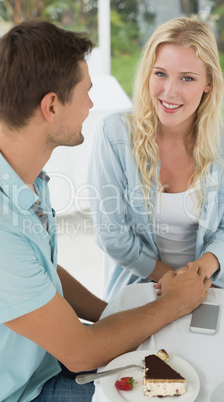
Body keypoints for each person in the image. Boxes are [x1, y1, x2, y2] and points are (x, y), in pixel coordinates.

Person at [0, 18, 211, 402]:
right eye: (86, 92)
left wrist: (112, 316)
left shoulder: (17, 177)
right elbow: (81, 353)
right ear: (52, 106)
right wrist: (174, 301)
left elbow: (39, 266)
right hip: (20, 392)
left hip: (44, 364)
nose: (92, 105)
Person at [88, 17, 224, 302]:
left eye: (187, 78)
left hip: (211, 289)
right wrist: (173, 283)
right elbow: (113, 236)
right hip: (140, 289)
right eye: (161, 74)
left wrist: (203, 270)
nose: (169, 91)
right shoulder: (115, 135)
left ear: (209, 83)